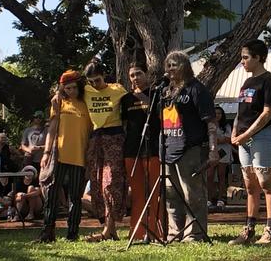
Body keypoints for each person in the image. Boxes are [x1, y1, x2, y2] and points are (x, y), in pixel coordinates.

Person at [161, 50, 219, 243]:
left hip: (191, 149)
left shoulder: (197, 89)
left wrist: (212, 150)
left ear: (185, 66)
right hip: (169, 148)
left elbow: (210, 122)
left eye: (174, 64)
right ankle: (174, 232)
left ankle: (195, 233)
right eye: (168, 65)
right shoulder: (166, 91)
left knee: (192, 194)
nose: (170, 69)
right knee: (171, 194)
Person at [229, 39, 271, 246]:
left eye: (245, 57)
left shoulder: (269, 80)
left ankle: (270, 231)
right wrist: (235, 132)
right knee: (250, 185)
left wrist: (247, 134)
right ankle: (249, 230)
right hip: (243, 140)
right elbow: (241, 112)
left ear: (258, 58)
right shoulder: (246, 83)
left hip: (262, 138)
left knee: (266, 183)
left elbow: (267, 113)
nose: (242, 62)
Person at [37, 70, 92, 243]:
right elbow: (52, 129)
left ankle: (72, 234)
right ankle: (47, 232)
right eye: (67, 88)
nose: (71, 91)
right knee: (52, 194)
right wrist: (46, 153)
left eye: (74, 87)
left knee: (75, 197)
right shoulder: (59, 102)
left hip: (80, 156)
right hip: (59, 155)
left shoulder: (87, 102)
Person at [82, 57, 128, 242]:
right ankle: (109, 230)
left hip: (114, 137)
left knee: (111, 182)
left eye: (98, 80)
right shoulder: (85, 91)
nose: (95, 84)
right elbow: (63, 87)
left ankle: (109, 229)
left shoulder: (117, 89)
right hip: (95, 139)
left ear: (104, 76)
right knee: (97, 182)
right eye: (91, 82)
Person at [120, 61, 162, 240]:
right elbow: (123, 125)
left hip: (153, 149)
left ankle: (158, 231)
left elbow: (161, 117)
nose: (135, 78)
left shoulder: (157, 94)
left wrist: (144, 97)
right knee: (137, 194)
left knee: (156, 192)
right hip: (132, 151)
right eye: (132, 75)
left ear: (146, 74)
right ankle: (137, 232)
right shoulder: (126, 99)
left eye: (138, 73)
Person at [207, 106, 232, 208]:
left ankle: (221, 199)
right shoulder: (209, 124)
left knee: (221, 175)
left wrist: (216, 139)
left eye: (219, 113)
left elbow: (228, 139)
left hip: (223, 152)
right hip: (212, 152)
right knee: (210, 176)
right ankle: (209, 198)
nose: (217, 115)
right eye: (216, 113)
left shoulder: (226, 126)